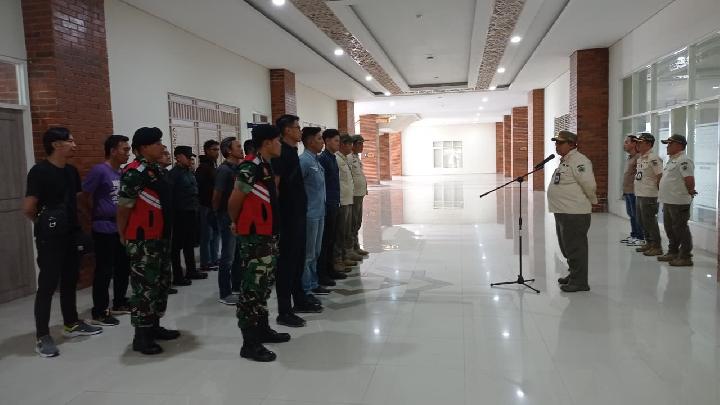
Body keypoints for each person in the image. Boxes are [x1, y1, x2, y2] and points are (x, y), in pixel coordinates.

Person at [23, 127, 103, 357]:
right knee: (48, 285)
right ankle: (42, 336)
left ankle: (71, 324)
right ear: (56, 145)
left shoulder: (71, 171)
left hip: (71, 234)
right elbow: (28, 208)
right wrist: (45, 225)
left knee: (70, 280)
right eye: (70, 141)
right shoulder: (39, 171)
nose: (74, 144)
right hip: (50, 238)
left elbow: (76, 202)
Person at [228, 124, 290, 362]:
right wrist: (235, 222)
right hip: (255, 237)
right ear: (267, 143)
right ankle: (249, 342)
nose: (280, 144)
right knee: (252, 289)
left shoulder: (264, 165)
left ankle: (263, 329)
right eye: (278, 140)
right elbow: (234, 200)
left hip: (267, 234)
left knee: (263, 285)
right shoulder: (250, 167)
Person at [117, 127, 179, 355]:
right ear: (143, 148)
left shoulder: (157, 170)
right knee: (145, 287)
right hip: (143, 240)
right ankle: (141, 336)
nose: (162, 146)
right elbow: (124, 207)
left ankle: (154, 325)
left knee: (161, 283)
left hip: (160, 237)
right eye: (157, 143)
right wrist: (122, 233)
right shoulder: (134, 172)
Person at [272, 115, 321, 327]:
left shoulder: (292, 151)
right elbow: (275, 188)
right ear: (287, 130)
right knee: (286, 264)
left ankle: (299, 299)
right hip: (287, 217)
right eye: (297, 127)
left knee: (299, 260)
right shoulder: (280, 153)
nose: (300, 130)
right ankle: (284, 311)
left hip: (299, 214)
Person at [82, 135, 132, 327]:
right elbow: (83, 197)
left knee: (123, 267)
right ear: (112, 151)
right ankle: (100, 311)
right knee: (104, 270)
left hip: (121, 228)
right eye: (125, 150)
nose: (128, 153)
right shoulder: (100, 171)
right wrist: (94, 215)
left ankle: (119, 301)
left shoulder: (122, 172)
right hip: (103, 228)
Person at [548, 131, 597, 293]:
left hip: (574, 212)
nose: (557, 146)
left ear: (571, 144)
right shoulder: (565, 161)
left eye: (560, 143)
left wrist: (592, 201)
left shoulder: (579, 160)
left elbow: (589, 185)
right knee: (567, 247)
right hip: (563, 211)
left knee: (576, 247)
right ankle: (574, 274)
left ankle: (580, 282)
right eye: (556, 143)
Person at [169, 146, 208, 286]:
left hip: (191, 211)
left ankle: (191, 270)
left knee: (189, 243)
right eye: (188, 157)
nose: (190, 160)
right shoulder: (174, 174)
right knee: (176, 246)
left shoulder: (189, 172)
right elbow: (171, 196)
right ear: (179, 157)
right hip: (180, 213)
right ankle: (178, 275)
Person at [299, 127, 329, 297]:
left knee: (316, 251)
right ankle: (306, 286)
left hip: (319, 212)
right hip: (309, 214)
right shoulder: (304, 161)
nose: (322, 142)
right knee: (308, 253)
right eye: (319, 139)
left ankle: (313, 282)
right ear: (310, 142)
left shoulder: (316, 160)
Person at [213, 137, 244, 305]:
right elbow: (217, 195)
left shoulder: (239, 168)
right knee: (227, 256)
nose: (241, 149)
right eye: (238, 146)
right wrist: (217, 213)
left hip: (238, 215)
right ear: (229, 150)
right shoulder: (224, 170)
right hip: (226, 215)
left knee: (238, 254)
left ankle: (237, 286)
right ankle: (225, 293)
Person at [657, 134, 696, 266]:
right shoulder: (672, 160)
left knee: (681, 229)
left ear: (679, 145)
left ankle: (685, 256)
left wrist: (690, 191)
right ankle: (673, 252)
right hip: (669, 200)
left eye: (670, 144)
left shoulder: (684, 160)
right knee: (669, 228)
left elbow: (689, 179)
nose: (667, 147)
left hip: (678, 201)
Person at [317, 129, 347, 285]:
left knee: (331, 239)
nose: (338, 143)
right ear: (327, 141)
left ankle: (330, 269)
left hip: (334, 202)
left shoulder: (332, 158)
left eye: (339, 141)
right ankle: (323, 273)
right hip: (327, 204)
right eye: (336, 140)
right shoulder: (323, 159)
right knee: (325, 240)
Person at [633, 133, 664, 256]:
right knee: (641, 220)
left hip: (650, 195)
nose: (637, 144)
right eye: (637, 142)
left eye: (640, 142)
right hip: (640, 193)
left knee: (650, 221)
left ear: (648, 144)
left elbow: (660, 176)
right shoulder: (640, 158)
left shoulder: (653, 158)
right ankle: (649, 243)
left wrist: (660, 194)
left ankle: (657, 246)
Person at [196, 139, 221, 272]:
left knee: (215, 234)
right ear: (206, 151)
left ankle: (214, 258)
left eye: (217, 149)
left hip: (214, 205)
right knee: (207, 235)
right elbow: (200, 187)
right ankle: (205, 262)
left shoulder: (213, 165)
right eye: (214, 149)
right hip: (206, 205)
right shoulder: (203, 167)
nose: (217, 152)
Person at [335, 134, 358, 270]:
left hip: (348, 199)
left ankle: (345, 255)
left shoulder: (344, 158)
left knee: (346, 230)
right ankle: (339, 259)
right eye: (349, 144)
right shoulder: (337, 159)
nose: (351, 147)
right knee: (341, 231)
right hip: (342, 201)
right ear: (343, 145)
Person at [620, 135, 644, 247]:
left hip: (635, 191)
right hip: (628, 191)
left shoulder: (639, 157)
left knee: (637, 215)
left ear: (634, 143)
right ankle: (634, 235)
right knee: (631, 214)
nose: (624, 144)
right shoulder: (630, 157)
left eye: (626, 142)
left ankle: (640, 237)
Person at [349, 135, 370, 257]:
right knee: (353, 222)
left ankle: (356, 246)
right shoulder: (349, 158)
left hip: (359, 194)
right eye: (360, 144)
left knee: (357, 221)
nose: (362, 146)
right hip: (353, 195)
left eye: (362, 143)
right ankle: (351, 249)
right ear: (353, 145)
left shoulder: (356, 157)